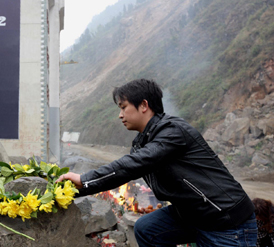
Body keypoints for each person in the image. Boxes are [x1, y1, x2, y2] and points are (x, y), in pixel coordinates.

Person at [56, 78, 257, 247]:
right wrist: (70, 191)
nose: (120, 115)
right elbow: (124, 171)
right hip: (192, 216)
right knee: (147, 229)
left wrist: (84, 179)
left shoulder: (173, 132)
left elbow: (130, 165)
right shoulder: (143, 141)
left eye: (123, 107)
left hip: (226, 223)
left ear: (144, 105)